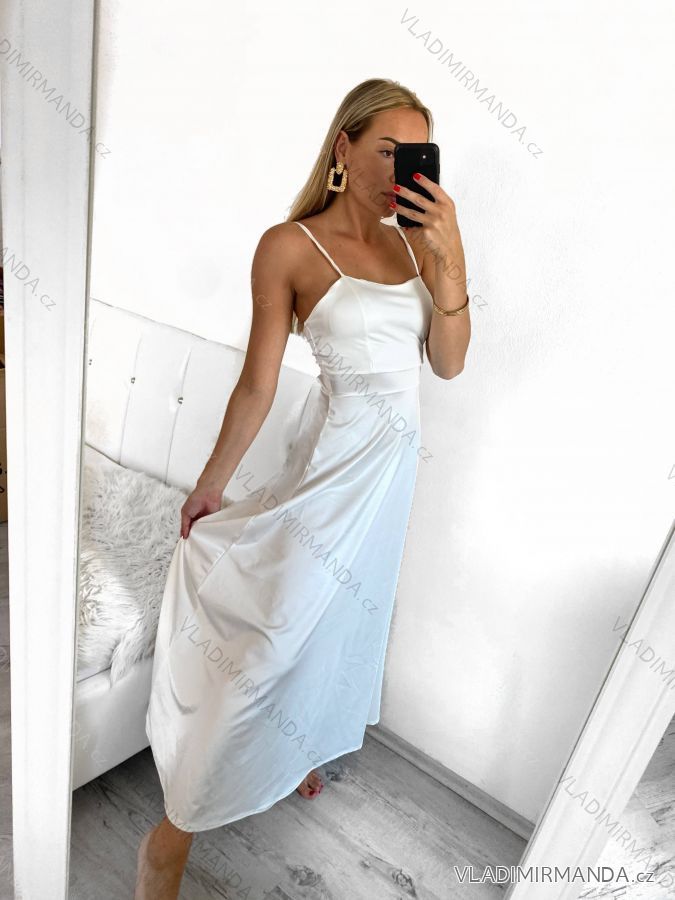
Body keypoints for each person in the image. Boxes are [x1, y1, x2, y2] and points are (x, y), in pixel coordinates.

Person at [134, 76, 471, 899]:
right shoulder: (289, 246)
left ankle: (294, 750)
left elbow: (448, 362)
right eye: (385, 149)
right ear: (343, 146)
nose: (399, 168)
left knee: (340, 627)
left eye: (416, 153)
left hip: (386, 487)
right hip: (327, 481)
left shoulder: (414, 246)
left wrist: (450, 253)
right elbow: (257, 385)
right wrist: (209, 487)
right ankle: (171, 836)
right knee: (271, 641)